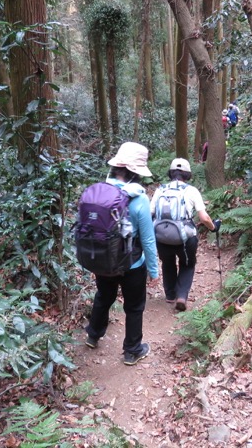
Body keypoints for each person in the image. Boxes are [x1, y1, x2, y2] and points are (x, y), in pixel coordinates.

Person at [85, 142, 160, 365]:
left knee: (103, 297)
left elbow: (86, 230)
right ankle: (132, 350)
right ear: (136, 173)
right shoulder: (140, 199)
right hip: (132, 264)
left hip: (102, 259)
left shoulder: (98, 193)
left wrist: (87, 263)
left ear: (115, 168)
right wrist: (154, 270)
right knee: (134, 306)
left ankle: (93, 334)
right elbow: (147, 238)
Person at [150, 158, 221, 312]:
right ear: (188, 174)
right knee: (187, 264)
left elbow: (150, 213)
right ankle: (181, 296)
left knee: (167, 263)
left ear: (171, 173)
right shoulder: (191, 191)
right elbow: (204, 218)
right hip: (184, 239)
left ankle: (170, 295)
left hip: (161, 237)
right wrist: (213, 227)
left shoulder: (160, 189)